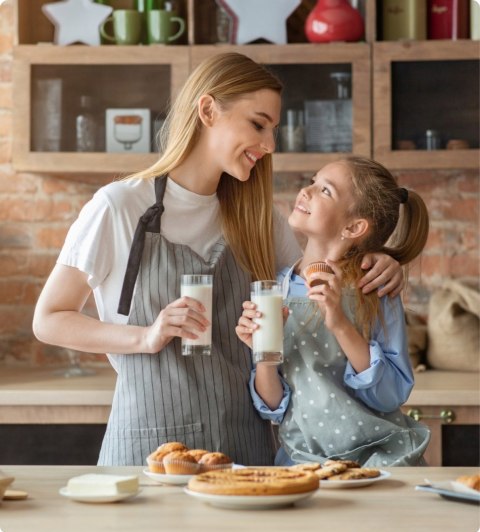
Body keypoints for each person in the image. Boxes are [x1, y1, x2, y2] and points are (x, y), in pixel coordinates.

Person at [33, 53, 404, 467]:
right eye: (258, 124)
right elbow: (49, 319)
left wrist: (377, 260)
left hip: (243, 453)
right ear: (208, 110)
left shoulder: (260, 221)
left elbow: (314, 290)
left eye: (274, 130)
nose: (269, 145)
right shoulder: (120, 206)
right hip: (148, 451)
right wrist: (145, 336)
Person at [236, 156, 431, 467]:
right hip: (303, 461)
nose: (306, 191)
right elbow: (273, 406)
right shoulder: (276, 290)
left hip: (379, 461)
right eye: (313, 181)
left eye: (325, 190)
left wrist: (339, 322)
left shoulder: (375, 290)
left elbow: (391, 395)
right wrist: (262, 354)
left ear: (353, 226)